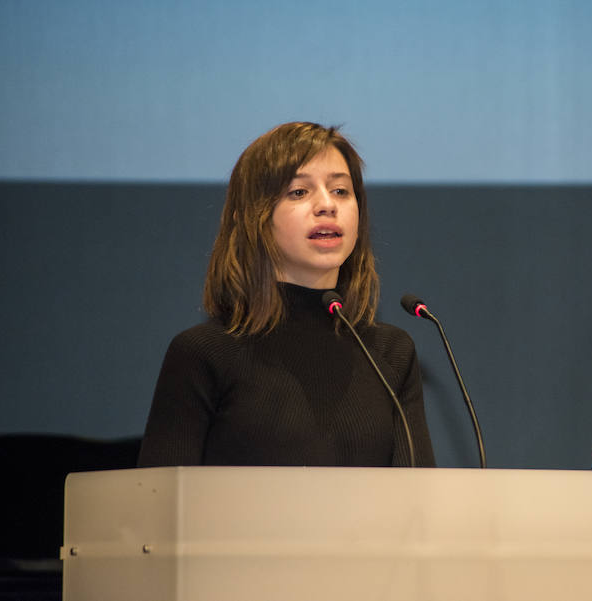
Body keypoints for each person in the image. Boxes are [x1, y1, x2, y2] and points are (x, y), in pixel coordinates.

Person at [138, 122, 435, 468]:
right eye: (298, 192)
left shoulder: (390, 354)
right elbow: (159, 507)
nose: (326, 205)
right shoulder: (204, 354)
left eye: (341, 190)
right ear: (252, 219)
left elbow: (418, 506)